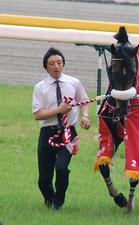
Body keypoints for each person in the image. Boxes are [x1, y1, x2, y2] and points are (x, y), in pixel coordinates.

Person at [32, 47, 91, 210]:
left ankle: (58, 201)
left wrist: (85, 117)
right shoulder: (40, 87)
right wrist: (58, 110)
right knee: (44, 180)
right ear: (46, 67)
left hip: (68, 132)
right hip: (47, 134)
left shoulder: (74, 83)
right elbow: (37, 114)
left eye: (59, 62)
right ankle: (49, 199)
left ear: (64, 64)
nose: (56, 66)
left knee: (62, 168)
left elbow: (84, 101)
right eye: (52, 63)